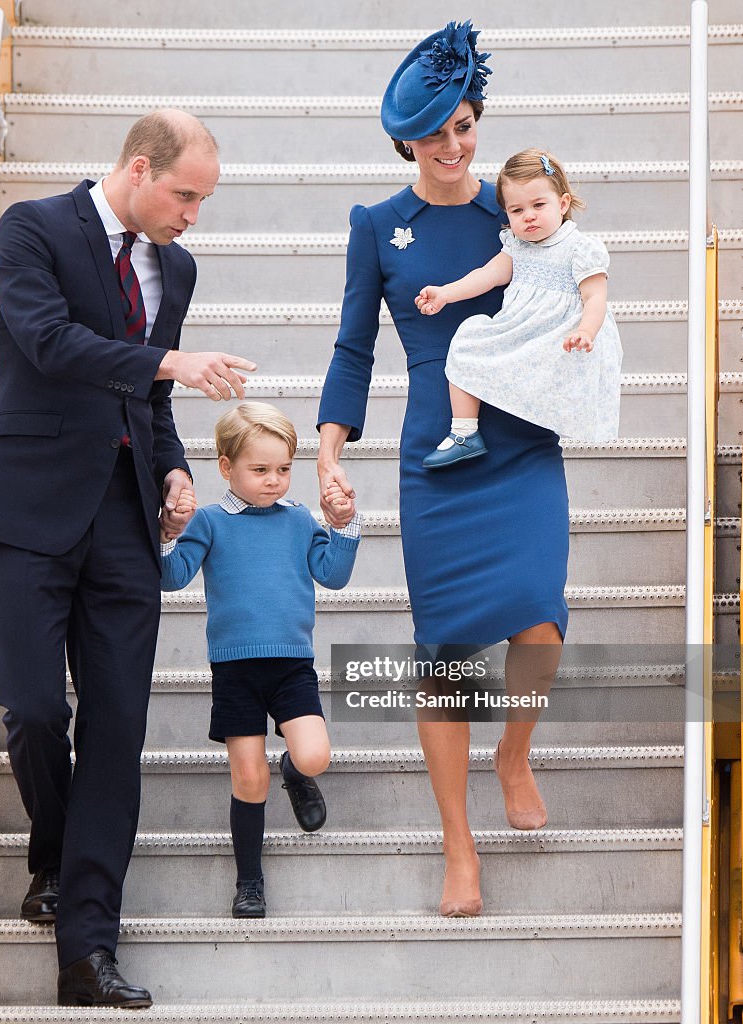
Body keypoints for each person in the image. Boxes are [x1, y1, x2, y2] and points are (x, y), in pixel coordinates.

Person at [0, 109, 256, 1007]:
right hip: (26, 509)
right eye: (186, 195)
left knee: (117, 730)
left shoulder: (179, 266)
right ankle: (50, 852)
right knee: (37, 709)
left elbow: (148, 403)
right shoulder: (32, 228)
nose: (194, 216)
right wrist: (170, 363)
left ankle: (88, 951)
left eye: (204, 200)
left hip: (124, 528)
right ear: (138, 168)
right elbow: (48, 346)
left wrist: (172, 470)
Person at [317, 21, 567, 919]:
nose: (455, 147)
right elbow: (352, 348)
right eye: (435, 134)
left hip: (524, 437)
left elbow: (569, 286)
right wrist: (329, 453)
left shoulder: (515, 211)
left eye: (465, 125)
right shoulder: (379, 228)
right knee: (446, 658)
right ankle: (458, 848)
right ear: (404, 141)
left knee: (540, 621)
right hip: (437, 452)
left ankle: (513, 751)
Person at [161, 402, 360, 918]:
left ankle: (295, 772)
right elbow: (173, 575)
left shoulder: (298, 521)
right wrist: (167, 533)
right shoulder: (209, 522)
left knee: (315, 754)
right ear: (226, 467)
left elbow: (332, 575)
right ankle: (249, 880)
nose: (274, 481)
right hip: (235, 670)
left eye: (284, 470)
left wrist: (344, 525)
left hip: (292, 664)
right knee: (248, 779)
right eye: (260, 470)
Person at [417, 147, 622, 468]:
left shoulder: (580, 249)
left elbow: (596, 297)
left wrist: (585, 330)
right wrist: (446, 293)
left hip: (561, 338)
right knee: (468, 339)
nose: (529, 216)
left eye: (539, 205)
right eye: (517, 210)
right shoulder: (517, 246)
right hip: (521, 331)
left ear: (563, 203)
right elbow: (487, 275)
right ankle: (465, 433)